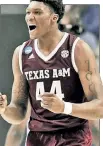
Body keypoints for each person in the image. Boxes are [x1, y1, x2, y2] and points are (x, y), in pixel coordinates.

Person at [0, 0, 103, 146]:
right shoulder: (21, 53)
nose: (29, 17)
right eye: (28, 12)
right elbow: (19, 114)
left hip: (73, 137)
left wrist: (64, 107)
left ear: (54, 18)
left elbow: (100, 107)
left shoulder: (78, 48)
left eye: (37, 12)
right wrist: (4, 110)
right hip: (38, 139)